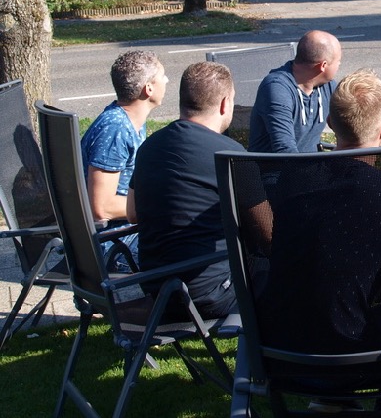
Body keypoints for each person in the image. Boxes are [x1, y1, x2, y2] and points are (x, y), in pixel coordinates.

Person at [261, 69, 381, 372]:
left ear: (329, 123)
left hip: (289, 349)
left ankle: (330, 401)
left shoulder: (292, 181)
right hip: (364, 350)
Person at [127, 62, 244, 319]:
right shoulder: (229, 154)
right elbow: (264, 230)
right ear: (225, 104)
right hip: (210, 295)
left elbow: (133, 213)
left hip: (158, 291)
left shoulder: (149, 147)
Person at [80, 50, 167, 272]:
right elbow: (101, 207)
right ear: (148, 89)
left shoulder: (131, 120)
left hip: (127, 234)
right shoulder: (116, 128)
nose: (166, 80)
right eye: (162, 76)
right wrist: (158, 205)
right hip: (115, 245)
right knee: (198, 249)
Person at [249, 30, 341, 153]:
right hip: (275, 170)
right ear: (323, 65)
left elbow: (350, 127)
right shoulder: (277, 88)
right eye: (338, 61)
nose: (339, 65)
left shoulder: (327, 86)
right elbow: (285, 150)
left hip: (311, 166)